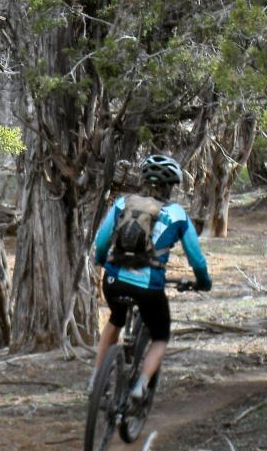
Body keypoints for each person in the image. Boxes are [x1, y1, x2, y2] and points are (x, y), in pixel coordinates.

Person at [90, 154, 212, 405]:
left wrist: (103, 262)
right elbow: (197, 260)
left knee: (115, 319)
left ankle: (96, 379)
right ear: (171, 187)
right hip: (149, 288)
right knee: (160, 335)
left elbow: (101, 242)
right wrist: (203, 282)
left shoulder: (124, 203)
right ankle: (141, 385)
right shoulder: (177, 215)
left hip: (113, 281)